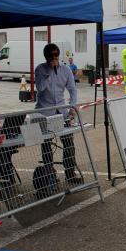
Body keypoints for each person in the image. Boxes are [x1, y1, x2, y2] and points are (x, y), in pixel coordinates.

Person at [35, 43, 80, 190]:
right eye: (51, 55)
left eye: (56, 55)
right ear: (46, 57)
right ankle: (49, 172)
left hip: (61, 111)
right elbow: (40, 88)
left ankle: (70, 172)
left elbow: (73, 90)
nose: (54, 58)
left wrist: (72, 107)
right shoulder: (40, 69)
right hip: (45, 112)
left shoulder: (66, 70)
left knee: (69, 142)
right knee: (46, 144)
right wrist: (49, 74)